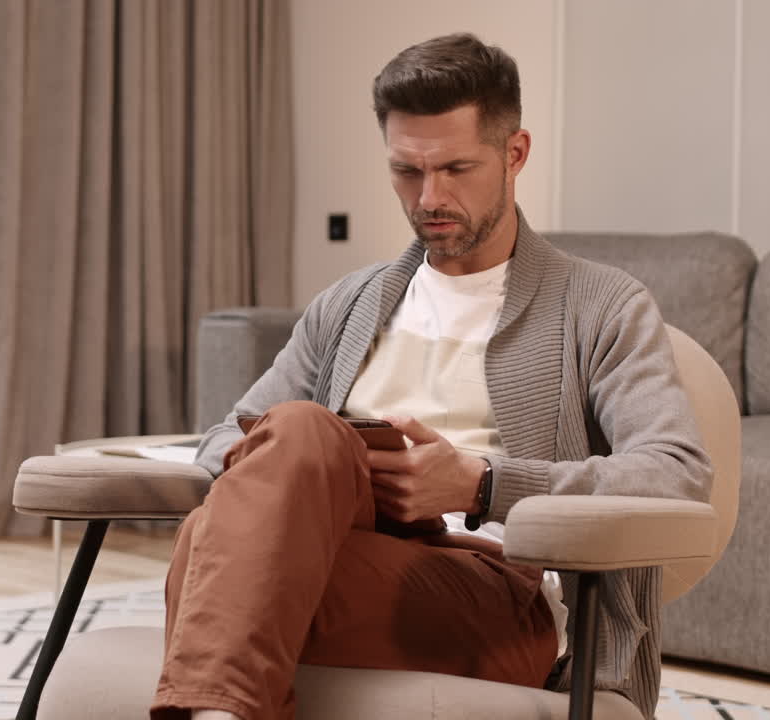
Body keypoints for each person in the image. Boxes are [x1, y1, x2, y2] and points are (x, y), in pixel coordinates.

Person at [151, 33, 712, 720]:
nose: (428, 197)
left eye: (455, 168)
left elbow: (676, 473)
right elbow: (226, 441)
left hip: (493, 590)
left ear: (515, 154)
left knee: (212, 561)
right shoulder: (349, 304)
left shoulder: (600, 305)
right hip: (337, 557)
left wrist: (481, 484)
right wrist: (326, 474)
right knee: (295, 435)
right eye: (406, 172)